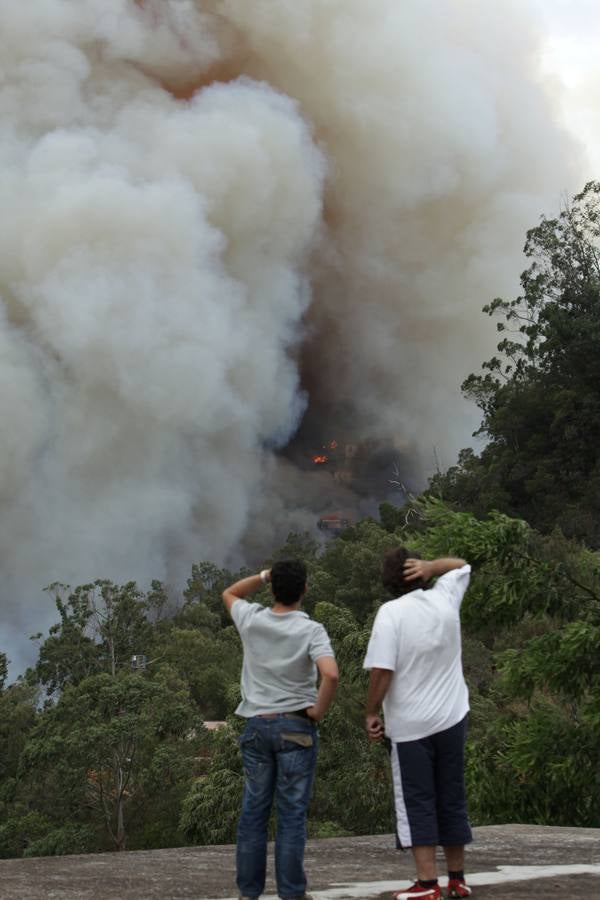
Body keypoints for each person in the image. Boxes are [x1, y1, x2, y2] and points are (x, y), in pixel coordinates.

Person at [222, 559, 339, 900]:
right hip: (296, 727)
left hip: (257, 725)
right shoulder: (311, 630)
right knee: (291, 817)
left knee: (253, 813)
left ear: (272, 588)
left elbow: (229, 592)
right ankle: (292, 893)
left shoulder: (252, 619)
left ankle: (249, 893)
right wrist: (317, 710)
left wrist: (261, 575)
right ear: (305, 589)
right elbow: (331, 674)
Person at [363, 549, 473, 900]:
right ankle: (457, 879)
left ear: (389, 582)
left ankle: (427, 885)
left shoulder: (390, 613)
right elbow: (462, 565)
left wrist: (371, 711)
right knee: (451, 796)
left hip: (411, 727)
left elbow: (382, 670)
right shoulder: (446, 596)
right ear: (421, 575)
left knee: (418, 801)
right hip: (453, 717)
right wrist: (432, 566)